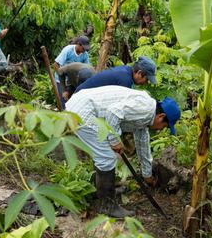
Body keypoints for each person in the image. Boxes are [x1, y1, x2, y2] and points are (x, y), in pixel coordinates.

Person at [65, 85, 181, 218]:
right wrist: (114, 140)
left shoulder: (146, 117)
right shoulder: (145, 110)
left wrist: (147, 175)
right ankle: (108, 206)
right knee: (106, 158)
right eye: (164, 126)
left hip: (83, 106)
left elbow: (143, 145)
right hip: (82, 112)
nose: (161, 129)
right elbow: (113, 113)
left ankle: (104, 193)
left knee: (103, 156)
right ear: (161, 116)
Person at [73, 56, 157, 95]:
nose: (146, 83)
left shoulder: (125, 70)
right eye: (146, 79)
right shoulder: (125, 80)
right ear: (139, 73)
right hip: (81, 97)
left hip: (81, 93)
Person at [53, 36, 91, 105]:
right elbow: (56, 64)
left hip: (73, 80)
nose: (84, 50)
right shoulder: (68, 50)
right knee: (64, 101)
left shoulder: (85, 54)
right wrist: (63, 86)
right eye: (83, 48)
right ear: (78, 44)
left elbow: (87, 68)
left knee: (73, 101)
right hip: (62, 78)